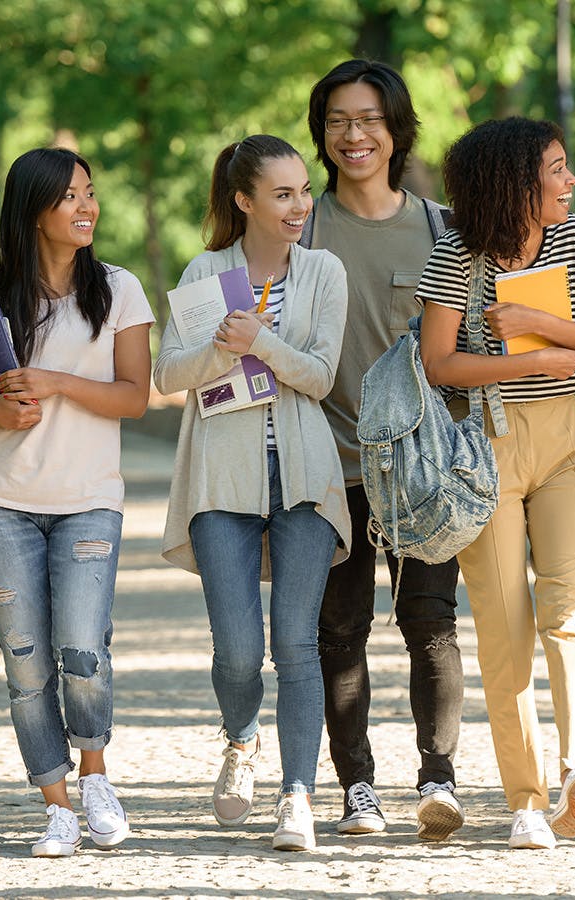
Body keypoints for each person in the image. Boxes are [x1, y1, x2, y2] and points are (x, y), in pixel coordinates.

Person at [0, 147, 154, 858]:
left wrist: (57, 382)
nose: (86, 207)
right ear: (32, 210)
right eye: (69, 197)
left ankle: (96, 778)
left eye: (90, 192)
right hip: (1, 504)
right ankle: (56, 803)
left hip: (89, 500)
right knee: (26, 661)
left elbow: (133, 396)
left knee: (82, 649)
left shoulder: (118, 290)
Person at [418, 117, 575, 850]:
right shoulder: (455, 256)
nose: (570, 182)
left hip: (565, 439)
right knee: (505, 630)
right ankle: (527, 800)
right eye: (557, 170)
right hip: (485, 448)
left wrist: (541, 323)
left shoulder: (573, 239)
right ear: (514, 184)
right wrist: (524, 362)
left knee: (570, 607)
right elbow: (439, 363)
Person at [154, 134, 349, 852]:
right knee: (238, 652)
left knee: (295, 642)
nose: (300, 205)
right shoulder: (207, 271)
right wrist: (222, 348)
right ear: (245, 201)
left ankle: (297, 794)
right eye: (283, 194)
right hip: (221, 476)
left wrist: (262, 342)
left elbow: (322, 376)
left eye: (304, 191)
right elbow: (168, 375)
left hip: (303, 475)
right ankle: (242, 739)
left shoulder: (323, 271)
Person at [303, 59, 466, 841]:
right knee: (339, 631)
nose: (353, 134)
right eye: (337, 120)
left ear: (397, 130)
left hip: (421, 475)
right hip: (328, 467)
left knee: (430, 621)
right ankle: (356, 787)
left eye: (368, 119)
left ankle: (438, 778)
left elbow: (466, 345)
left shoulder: (442, 229)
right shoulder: (298, 229)